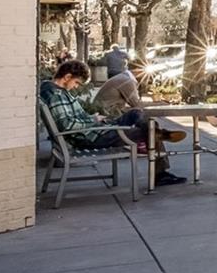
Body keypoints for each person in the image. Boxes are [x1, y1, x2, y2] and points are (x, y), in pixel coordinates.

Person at [41, 60, 187, 185]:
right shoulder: (56, 95)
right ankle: (160, 171)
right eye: (77, 83)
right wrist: (92, 120)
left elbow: (70, 120)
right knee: (148, 131)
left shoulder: (56, 91)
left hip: (95, 130)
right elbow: (67, 125)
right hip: (92, 137)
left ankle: (158, 135)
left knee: (135, 113)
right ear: (67, 77)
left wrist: (94, 118)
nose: (76, 87)